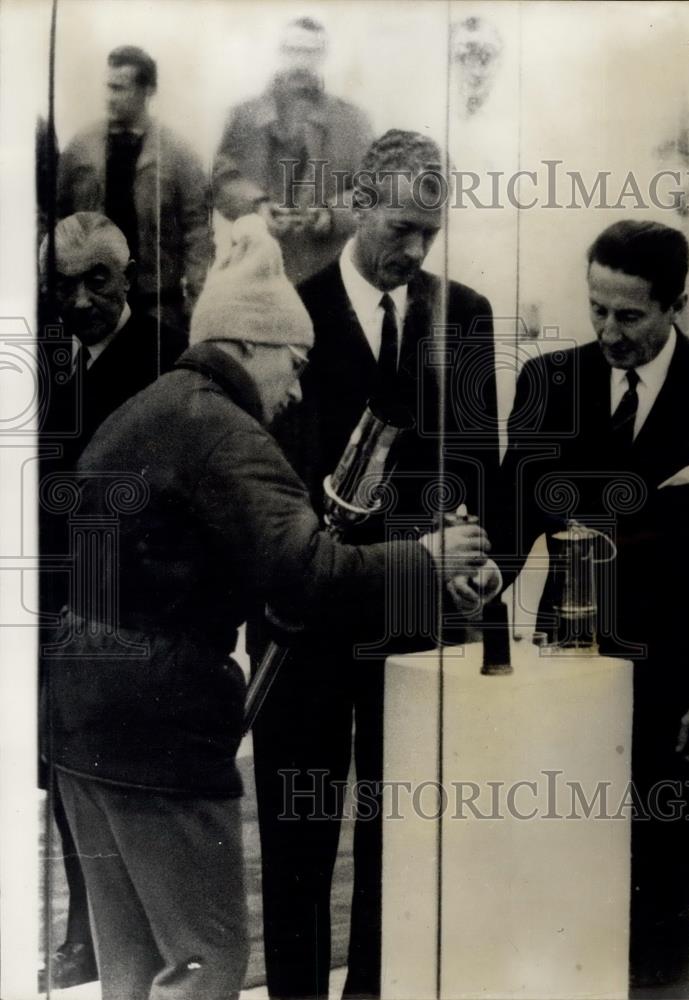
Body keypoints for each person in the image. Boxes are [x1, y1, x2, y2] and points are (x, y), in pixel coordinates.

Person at [42, 218, 490, 1000]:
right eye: (297, 360)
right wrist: (425, 562)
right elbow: (308, 573)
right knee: (203, 962)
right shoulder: (226, 433)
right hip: (161, 730)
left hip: (81, 716)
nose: (297, 385)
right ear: (251, 345)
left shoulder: (152, 408)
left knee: (132, 963)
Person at [497, 220, 689, 998]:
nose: (608, 331)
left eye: (629, 316)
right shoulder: (548, 384)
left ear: (674, 305)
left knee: (668, 891)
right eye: (596, 309)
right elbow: (509, 527)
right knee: (562, 875)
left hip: (680, 688)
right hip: (569, 672)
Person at [253, 129, 501, 999]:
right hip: (306, 621)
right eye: (399, 226)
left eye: (429, 234)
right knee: (295, 839)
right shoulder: (284, 309)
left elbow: (477, 466)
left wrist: (482, 564)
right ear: (359, 202)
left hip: (417, 618)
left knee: (402, 835)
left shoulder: (463, 312)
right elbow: (267, 483)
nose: (413, 250)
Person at [37, 211, 184, 991]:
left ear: (127, 275)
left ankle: (143, 933)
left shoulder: (164, 352)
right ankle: (85, 927)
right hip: (60, 593)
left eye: (99, 278)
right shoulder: (42, 355)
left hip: (134, 604)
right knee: (66, 775)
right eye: (66, 282)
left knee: (128, 779)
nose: (84, 297)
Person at [57, 45, 210, 339]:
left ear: (147, 90)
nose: (109, 97)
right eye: (108, 87)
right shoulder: (80, 149)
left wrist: (196, 297)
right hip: (91, 303)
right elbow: (54, 216)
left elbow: (197, 230)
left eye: (120, 88)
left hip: (157, 304)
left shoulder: (178, 154)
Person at [213, 16, 372, 285]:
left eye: (310, 51)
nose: (301, 61)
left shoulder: (352, 122)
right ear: (281, 52)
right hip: (256, 267)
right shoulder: (244, 118)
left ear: (322, 56)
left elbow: (371, 188)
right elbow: (222, 178)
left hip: (326, 268)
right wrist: (256, 206)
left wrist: (332, 214)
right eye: (293, 50)